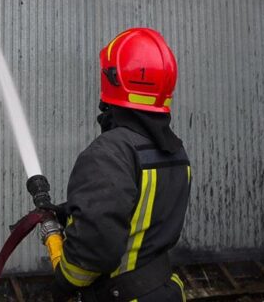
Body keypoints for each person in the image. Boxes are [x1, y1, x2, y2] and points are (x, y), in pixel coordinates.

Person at [41, 27, 191, 302]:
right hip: (164, 290)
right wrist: (70, 213)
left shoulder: (109, 152)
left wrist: (64, 281)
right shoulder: (174, 151)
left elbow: (93, 250)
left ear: (113, 79)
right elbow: (138, 211)